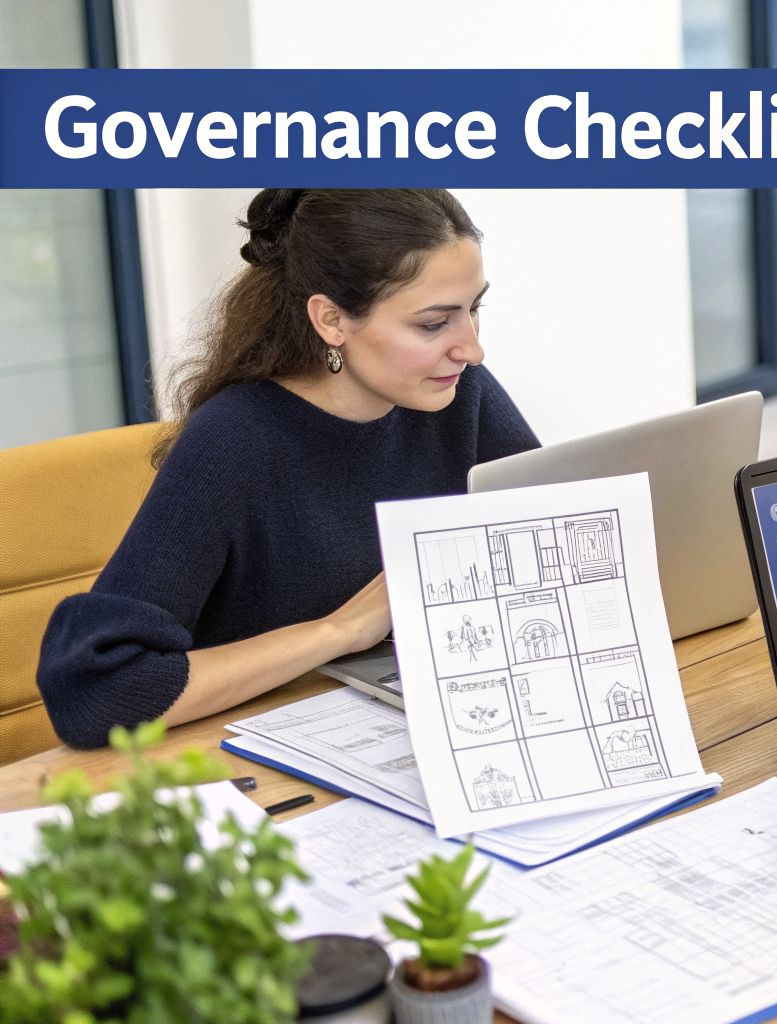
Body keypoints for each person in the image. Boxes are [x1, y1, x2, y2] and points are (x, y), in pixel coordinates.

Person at [38, 188, 538, 748]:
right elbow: (95, 690)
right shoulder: (234, 440)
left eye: (474, 310)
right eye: (433, 324)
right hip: (250, 760)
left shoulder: (457, 394)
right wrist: (342, 631)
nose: (471, 350)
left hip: (398, 729)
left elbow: (547, 543)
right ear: (330, 320)